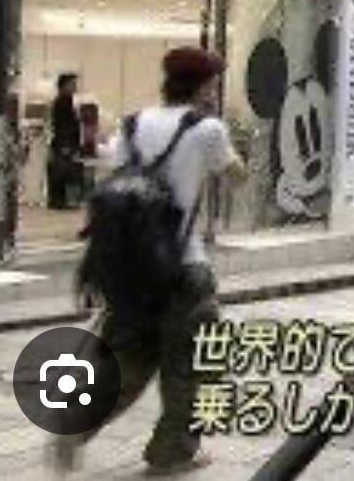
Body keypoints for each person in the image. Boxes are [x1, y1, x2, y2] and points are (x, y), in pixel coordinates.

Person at [51, 47, 246, 476]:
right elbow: (237, 176)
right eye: (213, 83)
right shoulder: (207, 129)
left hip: (135, 270)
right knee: (188, 367)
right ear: (204, 86)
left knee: (126, 361)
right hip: (184, 267)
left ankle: (75, 425)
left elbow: (118, 174)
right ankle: (171, 453)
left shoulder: (133, 124)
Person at [47, 73, 81, 209]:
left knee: (64, 172)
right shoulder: (61, 102)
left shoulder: (68, 100)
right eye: (72, 84)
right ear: (64, 85)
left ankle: (61, 200)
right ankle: (57, 201)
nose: (75, 87)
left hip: (67, 141)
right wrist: (65, 144)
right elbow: (61, 125)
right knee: (61, 172)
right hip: (63, 142)